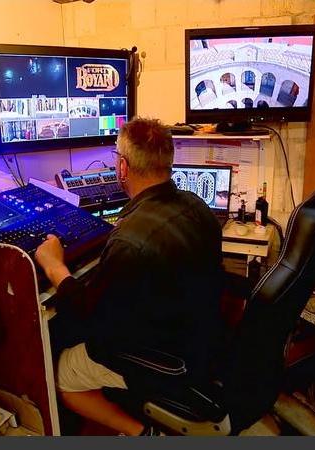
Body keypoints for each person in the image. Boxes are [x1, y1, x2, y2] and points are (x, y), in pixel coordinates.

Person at [35, 117, 223, 436]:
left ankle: (139, 432)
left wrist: (55, 267)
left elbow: (88, 319)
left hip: (169, 359)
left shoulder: (130, 241)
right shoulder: (196, 205)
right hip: (202, 341)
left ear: (122, 167)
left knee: (62, 370)